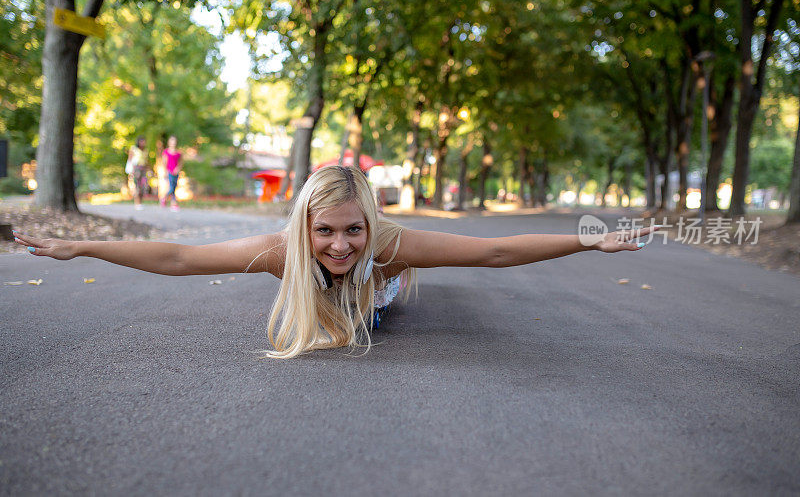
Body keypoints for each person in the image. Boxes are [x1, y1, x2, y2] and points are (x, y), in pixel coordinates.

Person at [11, 166, 656, 359]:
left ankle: (380, 291)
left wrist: (586, 239)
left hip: (380, 289)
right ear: (304, 228)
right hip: (315, 291)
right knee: (315, 300)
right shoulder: (279, 252)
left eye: (353, 229)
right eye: (325, 231)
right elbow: (181, 255)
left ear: (371, 225)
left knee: (379, 295)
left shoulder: (386, 245)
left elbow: (492, 251)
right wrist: (82, 244)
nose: (341, 243)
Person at [160, 135, 182, 212]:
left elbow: (180, 163)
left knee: (174, 187)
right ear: (169, 142)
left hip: (176, 172)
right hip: (169, 171)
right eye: (172, 141)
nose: (173, 143)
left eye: (174, 141)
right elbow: (164, 163)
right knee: (171, 187)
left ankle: (164, 199)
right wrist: (165, 172)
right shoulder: (166, 152)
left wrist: (178, 169)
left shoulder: (178, 153)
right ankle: (173, 203)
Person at [127, 136, 148, 210]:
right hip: (136, 169)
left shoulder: (145, 150)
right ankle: (137, 203)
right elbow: (130, 159)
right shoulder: (133, 149)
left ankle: (141, 202)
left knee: (143, 186)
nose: (143, 143)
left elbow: (146, 161)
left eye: (144, 141)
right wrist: (131, 171)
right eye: (141, 141)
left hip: (143, 169)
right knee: (137, 186)